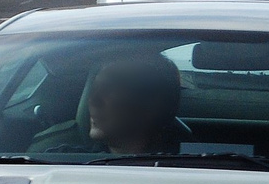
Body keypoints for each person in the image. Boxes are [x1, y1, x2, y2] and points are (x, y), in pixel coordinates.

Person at [30, 53, 184, 156]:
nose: (93, 101)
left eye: (109, 90)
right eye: (95, 88)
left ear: (153, 104)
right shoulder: (57, 159)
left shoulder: (194, 168)